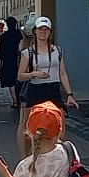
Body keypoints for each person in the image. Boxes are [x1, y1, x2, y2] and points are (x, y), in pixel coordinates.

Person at [17, 17, 77, 153]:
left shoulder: (58, 51)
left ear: (50, 32)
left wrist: (69, 94)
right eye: (40, 29)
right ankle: (25, 158)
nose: (43, 32)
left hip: (53, 88)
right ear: (35, 31)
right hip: (35, 89)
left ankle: (54, 155)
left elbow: (62, 73)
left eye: (46, 29)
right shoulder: (28, 53)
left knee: (59, 124)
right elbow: (20, 76)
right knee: (28, 126)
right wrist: (34, 74)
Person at [0, 15, 22, 106]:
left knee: (11, 81)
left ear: (7, 24)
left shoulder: (4, 36)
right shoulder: (19, 34)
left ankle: (15, 101)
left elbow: (1, 51)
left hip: (7, 61)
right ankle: (20, 99)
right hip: (19, 59)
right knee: (19, 80)